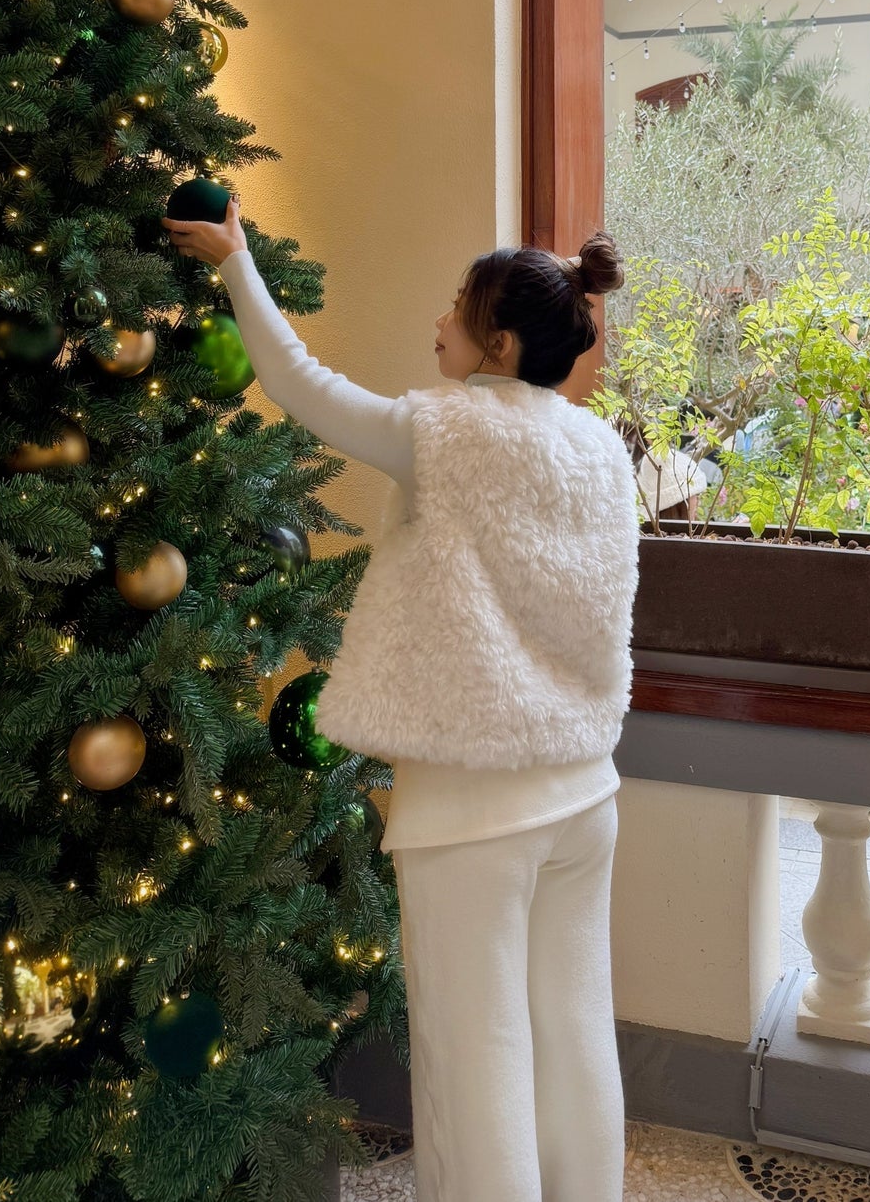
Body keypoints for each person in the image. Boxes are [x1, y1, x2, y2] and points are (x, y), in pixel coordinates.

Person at [164, 199, 639, 1202]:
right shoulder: (600, 449)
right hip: (584, 793)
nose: (439, 320)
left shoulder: (444, 434)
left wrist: (237, 263)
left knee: (479, 1055)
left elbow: (298, 384)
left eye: (456, 309)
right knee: (571, 1028)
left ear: (497, 342)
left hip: (472, 813)